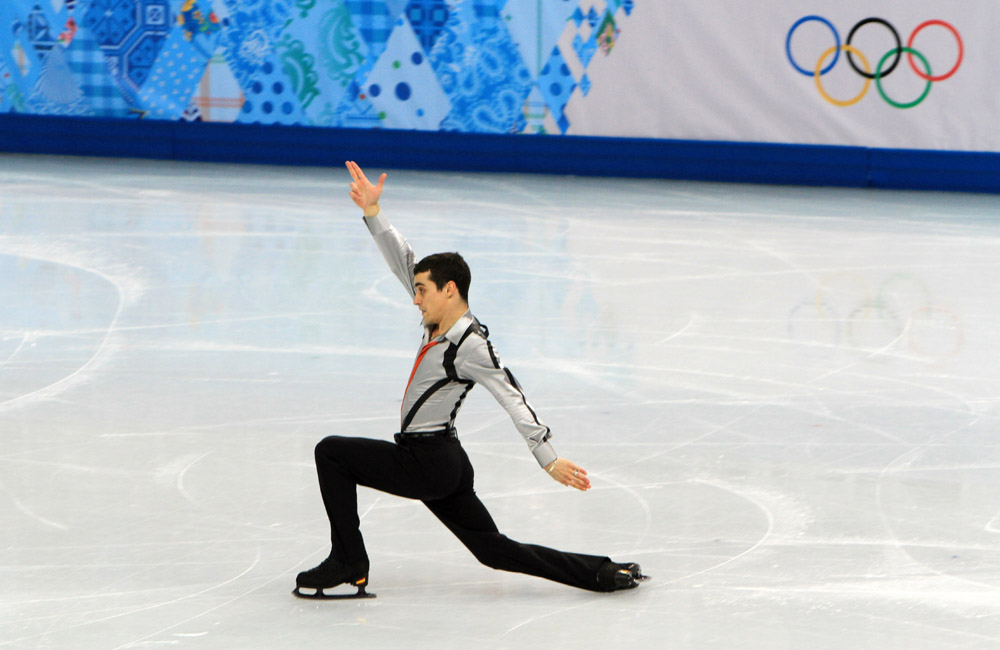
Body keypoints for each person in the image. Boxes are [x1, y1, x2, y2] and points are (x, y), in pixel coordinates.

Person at [293, 161, 646, 599]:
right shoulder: (437, 319)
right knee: (494, 550)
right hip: (444, 462)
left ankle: (349, 561)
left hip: (426, 462)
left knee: (332, 454)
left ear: (451, 290)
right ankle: (601, 572)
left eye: (423, 289)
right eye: (416, 289)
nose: (415, 296)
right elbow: (404, 260)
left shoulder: (470, 343)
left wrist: (548, 458)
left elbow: (511, 396)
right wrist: (374, 211)